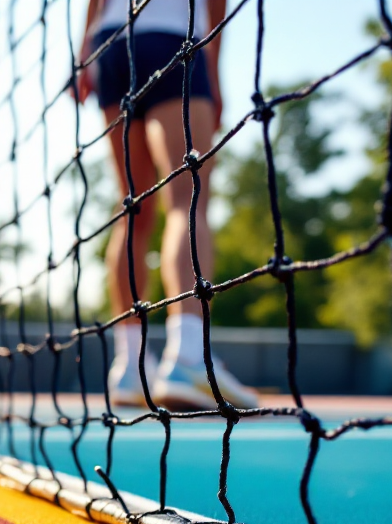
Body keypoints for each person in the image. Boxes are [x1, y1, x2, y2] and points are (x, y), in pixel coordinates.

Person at [76, 0, 259, 410]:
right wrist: (212, 73)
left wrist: (83, 55)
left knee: (132, 209)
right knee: (187, 199)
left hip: (111, 46)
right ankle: (188, 357)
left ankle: (130, 367)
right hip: (172, 41)